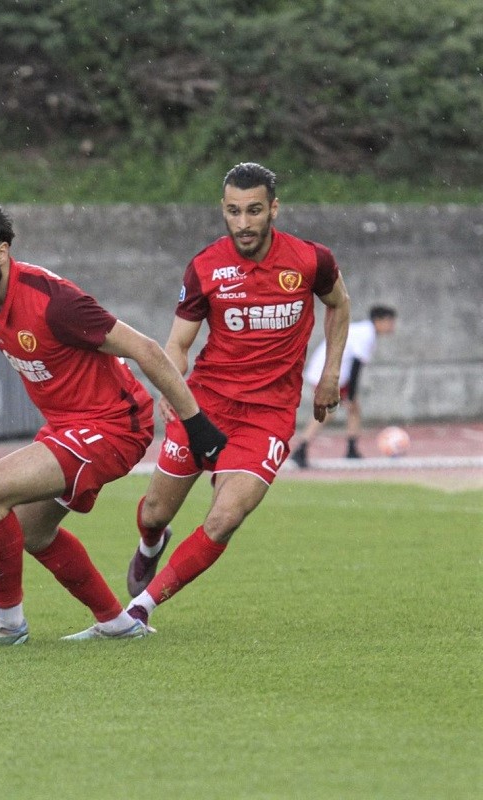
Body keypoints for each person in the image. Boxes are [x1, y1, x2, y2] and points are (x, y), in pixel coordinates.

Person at [0, 204, 227, 645]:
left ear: (2, 252)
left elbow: (145, 348)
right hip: (68, 428)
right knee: (31, 530)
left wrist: (196, 424)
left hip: (113, 427)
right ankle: (117, 624)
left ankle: (6, 622)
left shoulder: (56, 302)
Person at [124, 162, 351, 624]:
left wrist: (330, 374)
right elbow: (179, 343)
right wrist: (171, 385)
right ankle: (151, 542)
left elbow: (339, 304)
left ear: (273, 209)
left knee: (225, 517)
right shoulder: (205, 267)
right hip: (204, 406)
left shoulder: (310, 260)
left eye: (253, 211)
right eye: (233, 212)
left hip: (267, 415)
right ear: (223, 211)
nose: (243, 223)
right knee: (154, 511)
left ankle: (139, 610)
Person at [291, 305, 397, 466]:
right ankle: (301, 449)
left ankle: (351, 449)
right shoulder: (366, 335)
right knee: (328, 413)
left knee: (353, 410)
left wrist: (351, 399)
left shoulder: (365, 332)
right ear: (379, 320)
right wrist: (351, 397)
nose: (392, 326)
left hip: (334, 372)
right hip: (327, 373)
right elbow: (356, 367)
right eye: (390, 321)